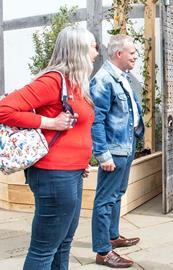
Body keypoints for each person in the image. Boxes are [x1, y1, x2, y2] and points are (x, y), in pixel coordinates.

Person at [0, 26, 98, 270]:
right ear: (78, 50)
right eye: (93, 47)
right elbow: (4, 109)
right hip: (53, 174)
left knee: (63, 243)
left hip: (71, 173)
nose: (97, 52)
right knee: (44, 250)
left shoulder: (75, 84)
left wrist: (80, 160)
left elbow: (78, 130)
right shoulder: (53, 80)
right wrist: (49, 122)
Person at [90, 34, 144, 268]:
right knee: (105, 200)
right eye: (132, 52)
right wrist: (103, 155)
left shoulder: (121, 76)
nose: (135, 56)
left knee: (117, 194)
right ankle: (103, 251)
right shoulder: (103, 79)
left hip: (126, 145)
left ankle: (112, 236)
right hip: (113, 150)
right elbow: (96, 120)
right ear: (119, 54)